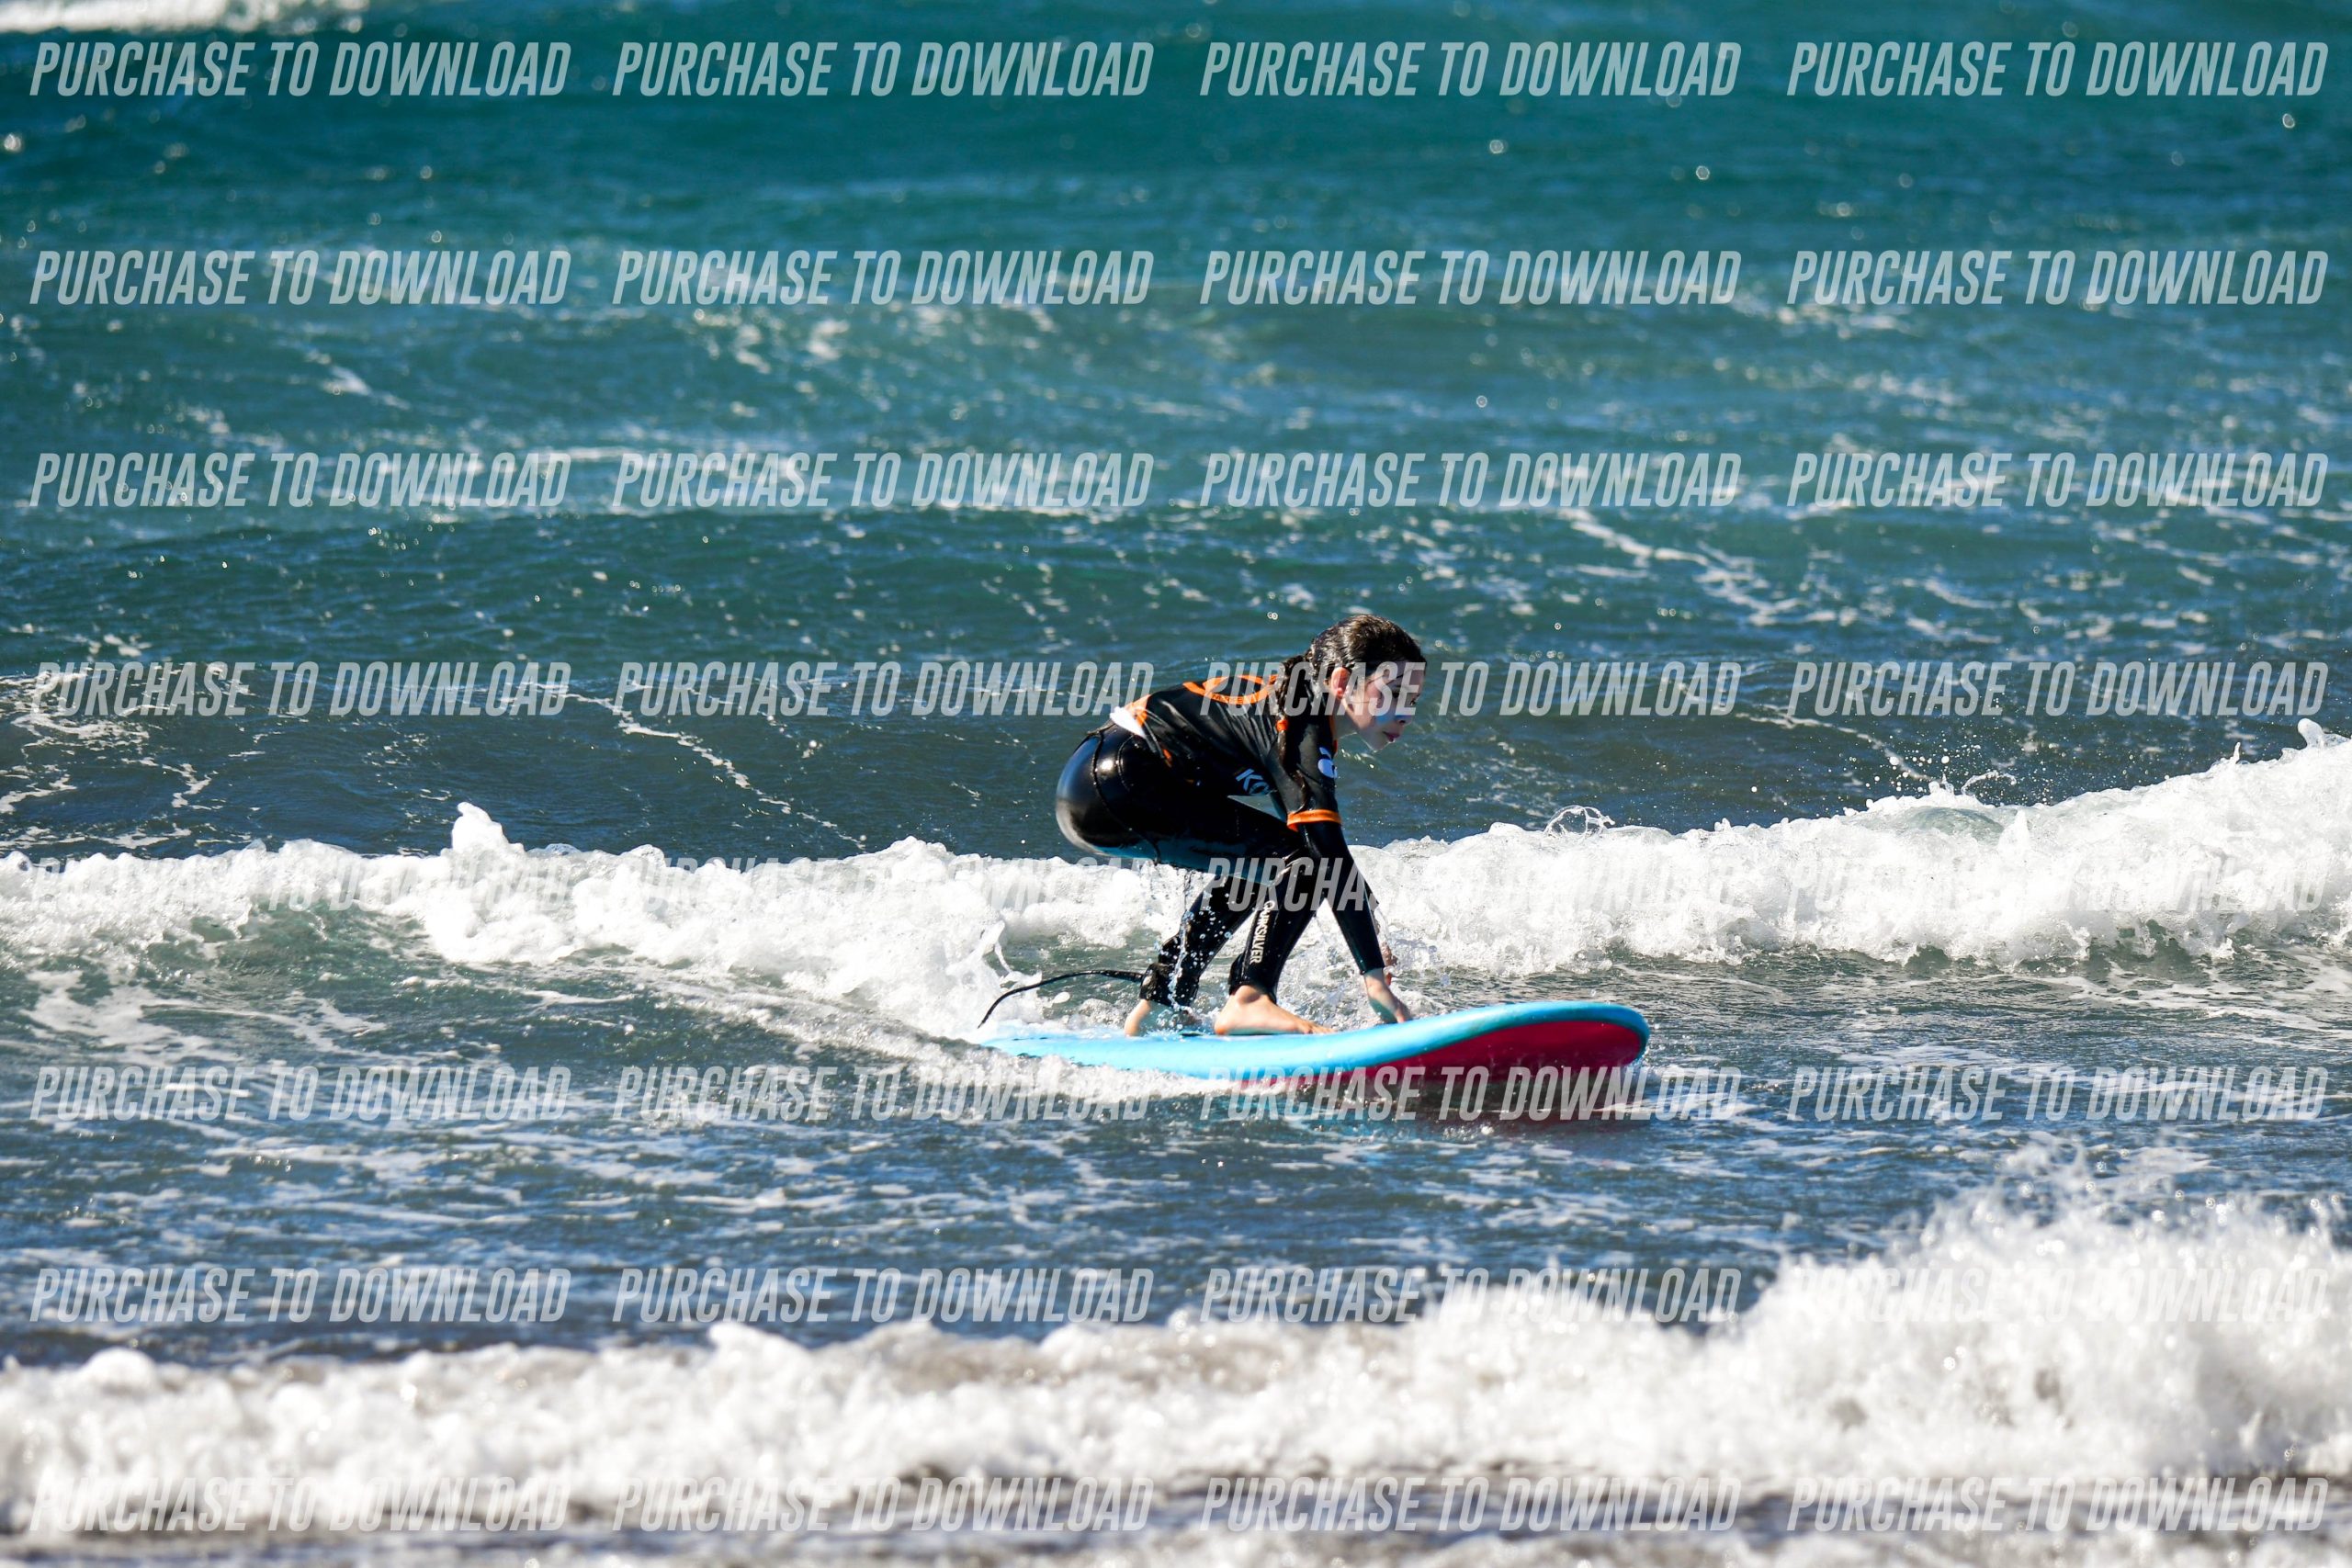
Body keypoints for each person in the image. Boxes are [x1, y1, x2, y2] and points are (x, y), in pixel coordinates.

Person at [1055, 613, 1425, 1035]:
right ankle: (1251, 997)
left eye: (1414, 700)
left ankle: (1161, 1000)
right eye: (1395, 693)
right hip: (1120, 780)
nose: (1406, 714)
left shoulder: (1299, 709)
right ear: (1342, 683)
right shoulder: (1300, 726)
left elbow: (1317, 846)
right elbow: (1326, 855)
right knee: (1302, 862)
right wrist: (1374, 977)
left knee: (1265, 859)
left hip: (1097, 781)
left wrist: (1368, 919)